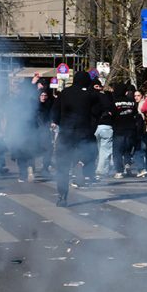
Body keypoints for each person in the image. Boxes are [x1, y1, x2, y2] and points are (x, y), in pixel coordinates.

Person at [51, 71, 102, 206]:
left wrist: (58, 122)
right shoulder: (90, 95)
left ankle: (62, 196)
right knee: (89, 152)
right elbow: (98, 111)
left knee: (62, 166)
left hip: (66, 133)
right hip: (83, 133)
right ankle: (80, 164)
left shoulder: (64, 93)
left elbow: (55, 112)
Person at [93, 83, 116, 180]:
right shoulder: (108, 98)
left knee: (93, 149)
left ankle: (90, 169)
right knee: (105, 150)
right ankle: (101, 170)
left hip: (94, 126)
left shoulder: (90, 97)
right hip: (106, 125)